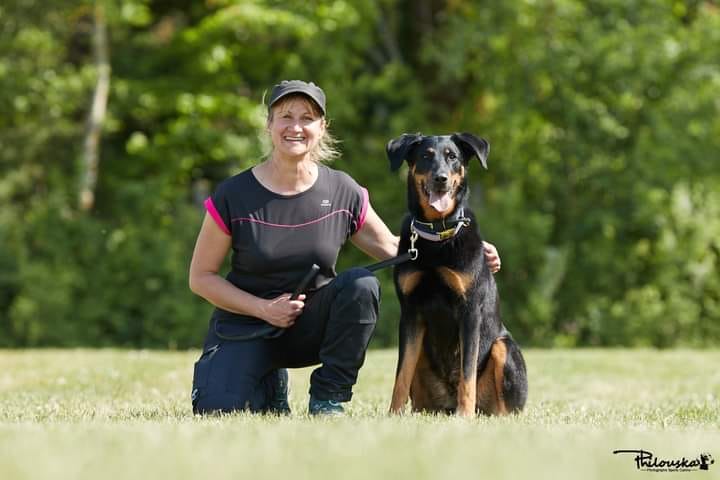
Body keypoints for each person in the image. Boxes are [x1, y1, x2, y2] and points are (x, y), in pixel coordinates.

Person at [188, 80, 502, 416]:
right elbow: (201, 278)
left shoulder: (342, 190)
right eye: (285, 116)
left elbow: (398, 249)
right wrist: (263, 309)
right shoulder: (233, 193)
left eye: (307, 118)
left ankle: (327, 396)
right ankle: (269, 380)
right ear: (269, 123)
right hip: (246, 324)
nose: (295, 127)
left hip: (311, 324)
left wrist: (462, 248)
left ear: (321, 128)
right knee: (216, 408)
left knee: (361, 285)